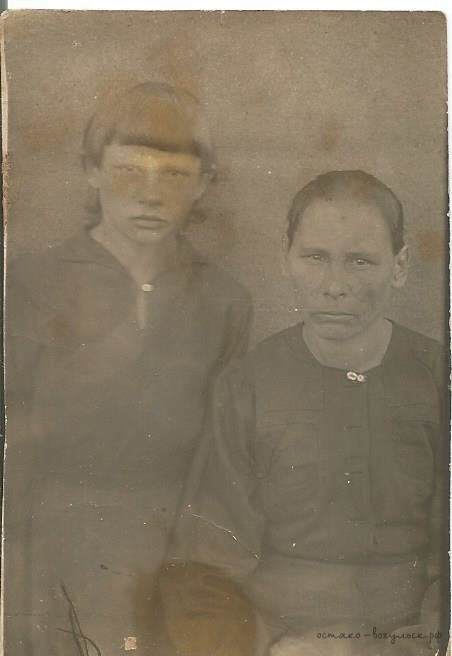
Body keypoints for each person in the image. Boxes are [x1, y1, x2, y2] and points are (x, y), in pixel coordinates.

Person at [4, 81, 252, 655]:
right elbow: (15, 449)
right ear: (91, 170)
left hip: (172, 554)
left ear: (205, 183)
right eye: (129, 170)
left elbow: (221, 463)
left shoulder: (224, 301)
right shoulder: (30, 284)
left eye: (174, 175)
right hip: (52, 550)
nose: (150, 195)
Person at [159, 171, 448, 656]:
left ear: (399, 267)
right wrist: (262, 646)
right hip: (281, 641)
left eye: (361, 261)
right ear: (285, 258)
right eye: (315, 258)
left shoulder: (439, 378)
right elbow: (206, 568)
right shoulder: (246, 386)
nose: (334, 286)